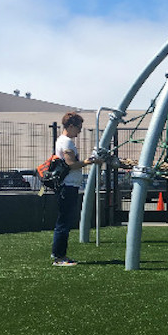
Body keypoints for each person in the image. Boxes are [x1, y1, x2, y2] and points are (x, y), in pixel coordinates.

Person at [51, 112, 93, 267]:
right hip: (67, 187)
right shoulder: (67, 142)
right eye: (78, 128)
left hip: (68, 186)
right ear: (71, 126)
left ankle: (60, 254)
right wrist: (88, 161)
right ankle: (59, 256)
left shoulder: (63, 141)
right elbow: (70, 164)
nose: (80, 131)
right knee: (64, 222)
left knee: (64, 221)